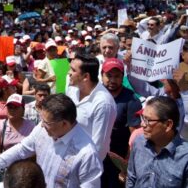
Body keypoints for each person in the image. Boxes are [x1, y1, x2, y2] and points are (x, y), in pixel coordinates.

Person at [0, 94, 103, 188]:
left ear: (64, 124)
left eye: (47, 122)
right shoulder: (43, 129)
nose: (42, 125)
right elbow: (21, 150)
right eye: (42, 120)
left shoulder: (87, 155)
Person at [126, 96, 188, 188]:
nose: (142, 124)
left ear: (168, 125)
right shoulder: (139, 143)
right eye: (142, 118)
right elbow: (131, 178)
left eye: (148, 120)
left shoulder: (185, 156)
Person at [66, 52, 117, 161]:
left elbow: (99, 146)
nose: (69, 73)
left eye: (73, 70)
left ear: (86, 77)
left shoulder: (103, 103)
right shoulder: (72, 89)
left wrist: (84, 170)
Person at [100, 58, 142, 188]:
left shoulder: (131, 100)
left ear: (122, 77)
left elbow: (134, 136)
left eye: (117, 76)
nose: (112, 80)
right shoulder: (95, 94)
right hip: (96, 156)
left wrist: (127, 164)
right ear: (102, 75)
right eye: (109, 75)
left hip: (117, 160)